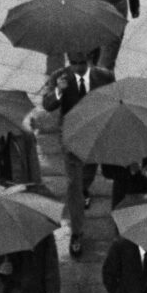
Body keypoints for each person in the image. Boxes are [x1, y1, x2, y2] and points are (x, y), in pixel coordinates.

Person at [42, 54, 113, 257]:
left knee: (88, 173)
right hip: (71, 141)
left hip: (94, 137)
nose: (78, 68)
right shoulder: (60, 76)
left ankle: (85, 188)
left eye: (81, 63)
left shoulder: (104, 77)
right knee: (74, 188)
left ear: (88, 61)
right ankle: (76, 233)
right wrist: (59, 91)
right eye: (74, 63)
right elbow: (47, 104)